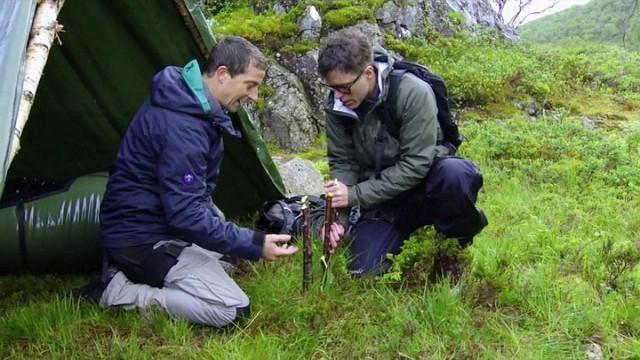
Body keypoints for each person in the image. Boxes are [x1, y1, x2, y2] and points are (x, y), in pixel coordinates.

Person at [81, 36, 298, 327]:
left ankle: (172, 268)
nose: (254, 97)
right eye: (250, 85)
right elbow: (185, 214)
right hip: (141, 238)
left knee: (228, 257)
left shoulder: (192, 104)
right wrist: (255, 243)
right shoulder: (183, 127)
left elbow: (194, 197)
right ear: (223, 74)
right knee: (232, 310)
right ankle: (118, 291)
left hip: (155, 222)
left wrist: (236, 244)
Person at [317, 29, 487, 278]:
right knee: (363, 273)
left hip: (425, 188)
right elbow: (343, 162)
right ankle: (392, 233)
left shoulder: (412, 92)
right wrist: (338, 221)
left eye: (344, 88)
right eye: (333, 88)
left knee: (455, 174)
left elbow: (416, 165)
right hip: (382, 202)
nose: (339, 97)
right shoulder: (337, 103)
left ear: (368, 73)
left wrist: (354, 195)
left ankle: (453, 249)